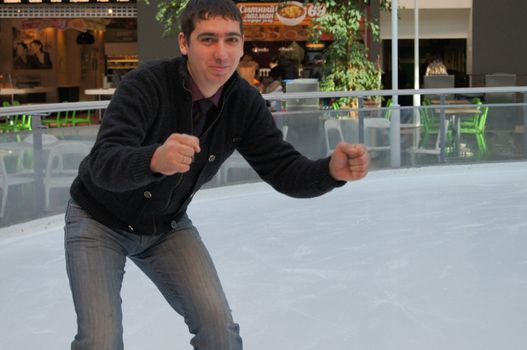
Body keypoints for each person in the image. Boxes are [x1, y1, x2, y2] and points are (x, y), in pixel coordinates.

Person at [64, 0, 369, 349]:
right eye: (208, 39)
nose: (221, 53)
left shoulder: (243, 102)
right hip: (99, 221)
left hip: (166, 227)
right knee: (100, 341)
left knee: (220, 333)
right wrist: (154, 159)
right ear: (184, 43)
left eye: (231, 40)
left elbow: (284, 170)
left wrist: (330, 171)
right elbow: (103, 163)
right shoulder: (145, 85)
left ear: (242, 46)